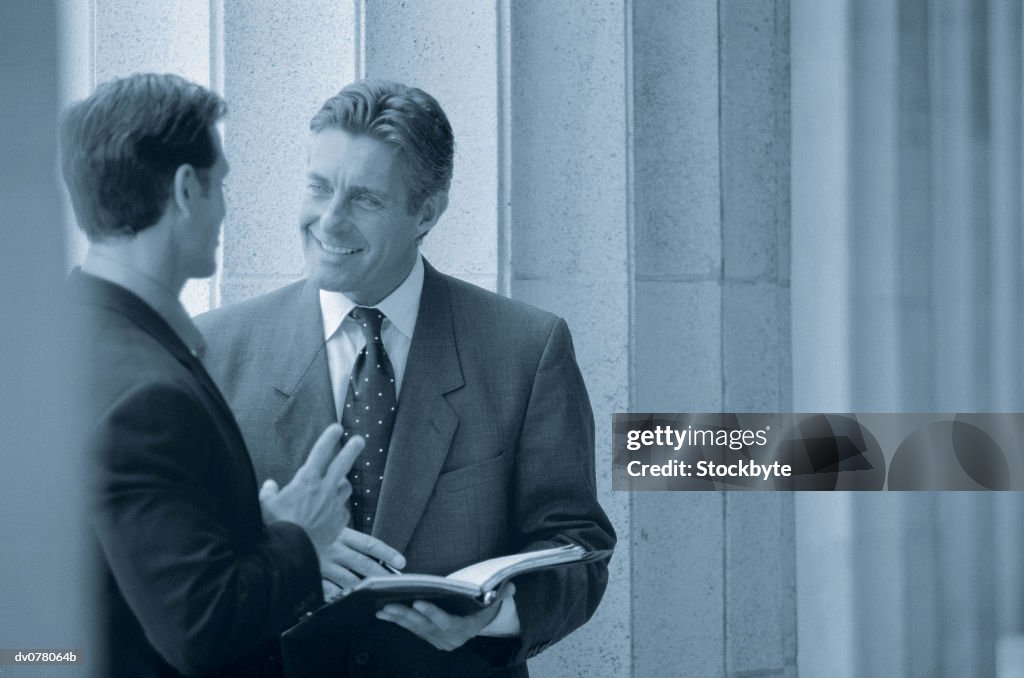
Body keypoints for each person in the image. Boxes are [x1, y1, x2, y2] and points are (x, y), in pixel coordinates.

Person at [197, 79, 616, 676]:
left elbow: (578, 549)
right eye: (319, 187)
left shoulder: (527, 348)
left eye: (365, 199)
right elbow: (157, 553)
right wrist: (275, 548)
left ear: (427, 211)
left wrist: (494, 615)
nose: (329, 222)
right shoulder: (212, 349)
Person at [62, 73, 366, 677]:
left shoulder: (58, 344)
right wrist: (300, 537)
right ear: (184, 190)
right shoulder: (146, 395)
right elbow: (199, 627)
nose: (226, 207)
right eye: (220, 183)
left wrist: (253, 532)